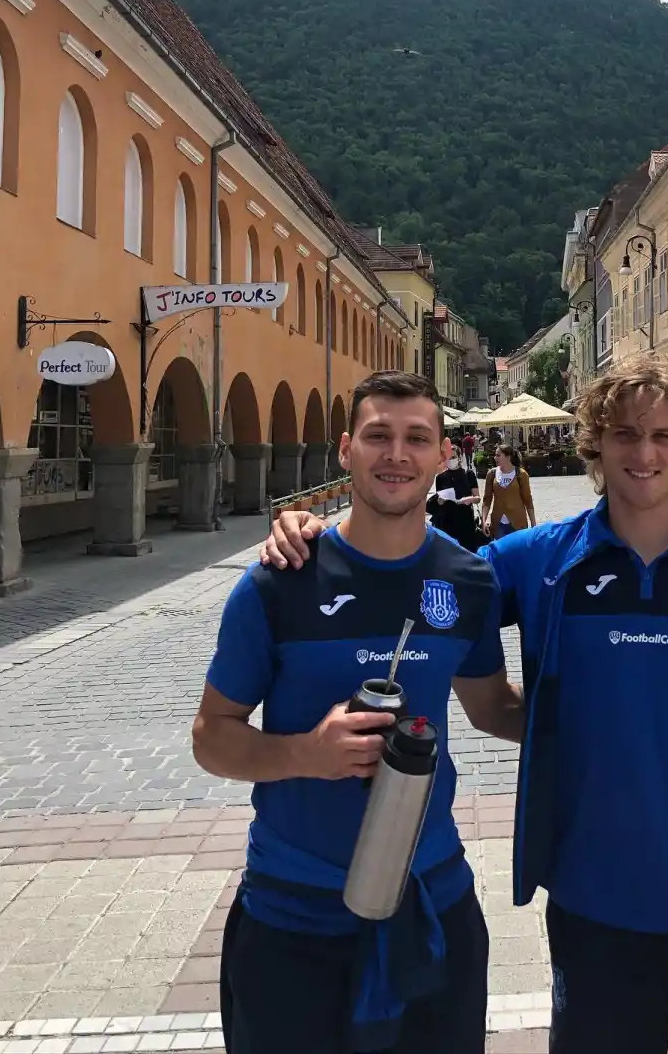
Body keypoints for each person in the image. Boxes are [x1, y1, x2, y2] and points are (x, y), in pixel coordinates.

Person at [261, 352, 668, 1054]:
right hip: (597, 905)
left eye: (663, 437)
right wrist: (319, 533)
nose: (643, 453)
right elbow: (422, 571)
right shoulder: (540, 560)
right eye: (624, 434)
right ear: (597, 445)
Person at [196, 370, 524, 1054]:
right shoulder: (279, 581)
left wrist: (620, 714)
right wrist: (304, 754)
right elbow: (211, 738)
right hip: (293, 914)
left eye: (416, 439)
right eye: (378, 436)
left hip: (430, 903)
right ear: (346, 450)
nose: (396, 454)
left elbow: (494, 708)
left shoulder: (467, 582)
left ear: (442, 456)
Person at [426, 438, 483, 551]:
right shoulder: (441, 478)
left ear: (459, 458)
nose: (450, 460)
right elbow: (439, 497)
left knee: (467, 551)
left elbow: (477, 498)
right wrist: (439, 501)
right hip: (447, 521)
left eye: (453, 457)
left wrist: (469, 499)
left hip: (466, 520)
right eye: (448, 458)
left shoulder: (468, 474)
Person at [480, 444, 536, 539]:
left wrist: (533, 524)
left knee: (517, 552)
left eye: (498, 455)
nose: (495, 458)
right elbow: (487, 499)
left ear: (508, 457)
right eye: (495, 455)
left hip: (518, 522)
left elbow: (528, 500)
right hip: (498, 523)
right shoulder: (492, 474)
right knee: (500, 552)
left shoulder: (521, 474)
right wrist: (484, 521)